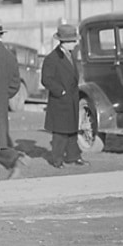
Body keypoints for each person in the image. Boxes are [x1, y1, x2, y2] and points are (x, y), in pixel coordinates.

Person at [0, 18, 27, 181]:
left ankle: (13, 158)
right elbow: (15, 83)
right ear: (1, 34)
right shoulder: (9, 56)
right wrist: (3, 96)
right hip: (1, 107)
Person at [41, 23, 88, 168]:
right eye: (73, 41)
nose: (75, 44)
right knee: (60, 134)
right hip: (60, 101)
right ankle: (57, 160)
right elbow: (46, 80)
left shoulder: (70, 55)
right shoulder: (52, 58)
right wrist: (60, 91)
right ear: (64, 42)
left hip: (71, 100)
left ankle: (74, 156)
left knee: (72, 131)